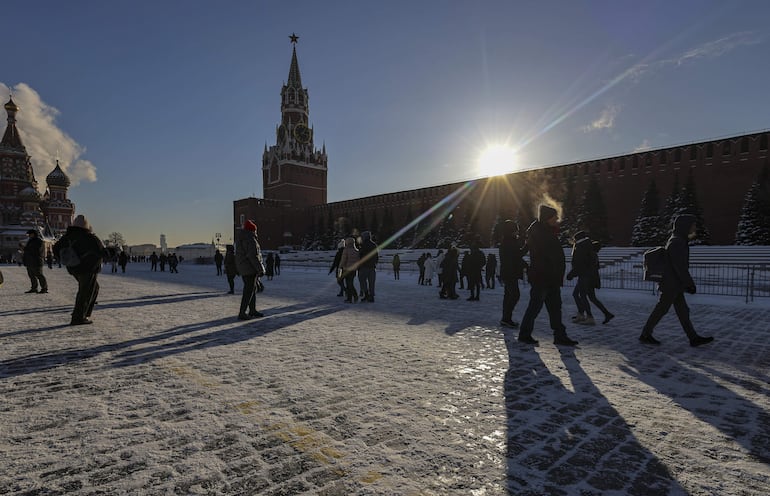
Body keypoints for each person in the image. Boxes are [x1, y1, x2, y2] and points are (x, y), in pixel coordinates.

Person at [640, 214, 714, 347]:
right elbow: (679, 266)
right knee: (661, 309)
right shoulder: (677, 242)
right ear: (684, 226)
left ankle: (693, 338)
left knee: (683, 311)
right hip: (670, 284)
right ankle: (645, 334)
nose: (694, 227)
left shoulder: (679, 240)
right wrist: (689, 284)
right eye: (692, 225)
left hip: (675, 284)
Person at [518, 205, 579, 346]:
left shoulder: (545, 231)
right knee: (535, 307)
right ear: (547, 218)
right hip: (543, 277)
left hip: (550, 277)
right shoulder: (540, 233)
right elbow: (545, 256)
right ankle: (524, 334)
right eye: (554, 217)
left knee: (555, 308)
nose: (557, 219)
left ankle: (560, 335)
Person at [52, 215, 105, 325]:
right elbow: (101, 251)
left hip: (74, 267)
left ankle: (82, 313)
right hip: (88, 268)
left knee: (93, 288)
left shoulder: (67, 237)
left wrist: (64, 258)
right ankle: (79, 317)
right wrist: (112, 252)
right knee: (85, 292)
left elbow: (56, 248)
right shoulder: (89, 237)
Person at [499, 220, 527, 328]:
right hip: (510, 273)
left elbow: (515, 257)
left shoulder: (507, 241)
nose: (517, 232)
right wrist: (527, 246)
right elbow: (517, 255)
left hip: (507, 272)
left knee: (508, 296)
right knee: (515, 295)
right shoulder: (509, 242)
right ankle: (506, 318)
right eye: (516, 230)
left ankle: (506, 318)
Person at [235, 220, 265, 319]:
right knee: (249, 290)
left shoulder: (242, 238)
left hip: (244, 267)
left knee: (252, 289)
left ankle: (252, 310)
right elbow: (253, 255)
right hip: (249, 268)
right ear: (253, 230)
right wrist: (260, 269)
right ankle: (242, 312)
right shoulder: (250, 239)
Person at [566, 231, 594, 325]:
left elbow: (580, 263)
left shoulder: (581, 247)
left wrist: (571, 274)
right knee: (576, 294)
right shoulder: (585, 246)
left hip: (584, 274)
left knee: (582, 296)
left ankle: (589, 317)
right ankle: (581, 314)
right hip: (584, 274)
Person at [585, 241, 614, 324]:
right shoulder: (594, 255)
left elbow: (591, 267)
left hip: (590, 279)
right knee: (590, 298)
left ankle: (587, 315)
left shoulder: (592, 255)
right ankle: (606, 313)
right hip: (592, 278)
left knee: (587, 297)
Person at [23, 229, 48, 294]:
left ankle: (44, 288)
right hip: (29, 261)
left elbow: (36, 251)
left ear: (33, 234)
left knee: (39, 275)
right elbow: (28, 251)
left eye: (30, 234)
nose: (29, 236)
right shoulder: (30, 241)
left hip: (36, 261)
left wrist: (25, 248)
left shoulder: (39, 241)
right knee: (31, 276)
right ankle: (34, 288)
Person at [357, 231, 379, 302]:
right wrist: (375, 263)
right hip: (372, 267)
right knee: (371, 283)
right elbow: (376, 256)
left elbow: (360, 256)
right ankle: (371, 297)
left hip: (364, 266)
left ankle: (366, 295)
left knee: (362, 280)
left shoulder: (363, 245)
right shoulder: (374, 245)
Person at [339, 236, 360, 303]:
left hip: (347, 269)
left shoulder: (346, 250)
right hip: (353, 270)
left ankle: (350, 298)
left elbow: (343, 259)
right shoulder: (357, 250)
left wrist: (340, 266)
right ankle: (354, 296)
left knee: (348, 284)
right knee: (351, 284)